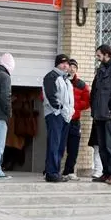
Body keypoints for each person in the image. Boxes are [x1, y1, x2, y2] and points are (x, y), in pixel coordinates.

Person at [90, 45, 111, 186]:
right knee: (102, 145)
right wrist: (94, 109)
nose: (97, 58)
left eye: (99, 55)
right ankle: (106, 172)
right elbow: (94, 91)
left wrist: (110, 109)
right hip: (99, 114)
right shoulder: (100, 69)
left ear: (106, 54)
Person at [42, 54, 74, 183]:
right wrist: (59, 109)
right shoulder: (52, 76)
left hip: (65, 116)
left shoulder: (66, 79)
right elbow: (51, 96)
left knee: (60, 146)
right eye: (62, 63)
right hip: (55, 115)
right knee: (54, 145)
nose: (65, 65)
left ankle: (55, 172)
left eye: (67, 63)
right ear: (57, 64)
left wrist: (70, 111)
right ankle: (51, 172)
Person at [62, 59, 90, 181]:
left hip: (74, 121)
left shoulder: (81, 85)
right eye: (70, 66)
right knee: (58, 147)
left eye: (75, 67)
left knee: (73, 149)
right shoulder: (60, 81)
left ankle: (69, 171)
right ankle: (51, 170)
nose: (72, 69)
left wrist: (74, 105)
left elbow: (87, 101)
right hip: (62, 120)